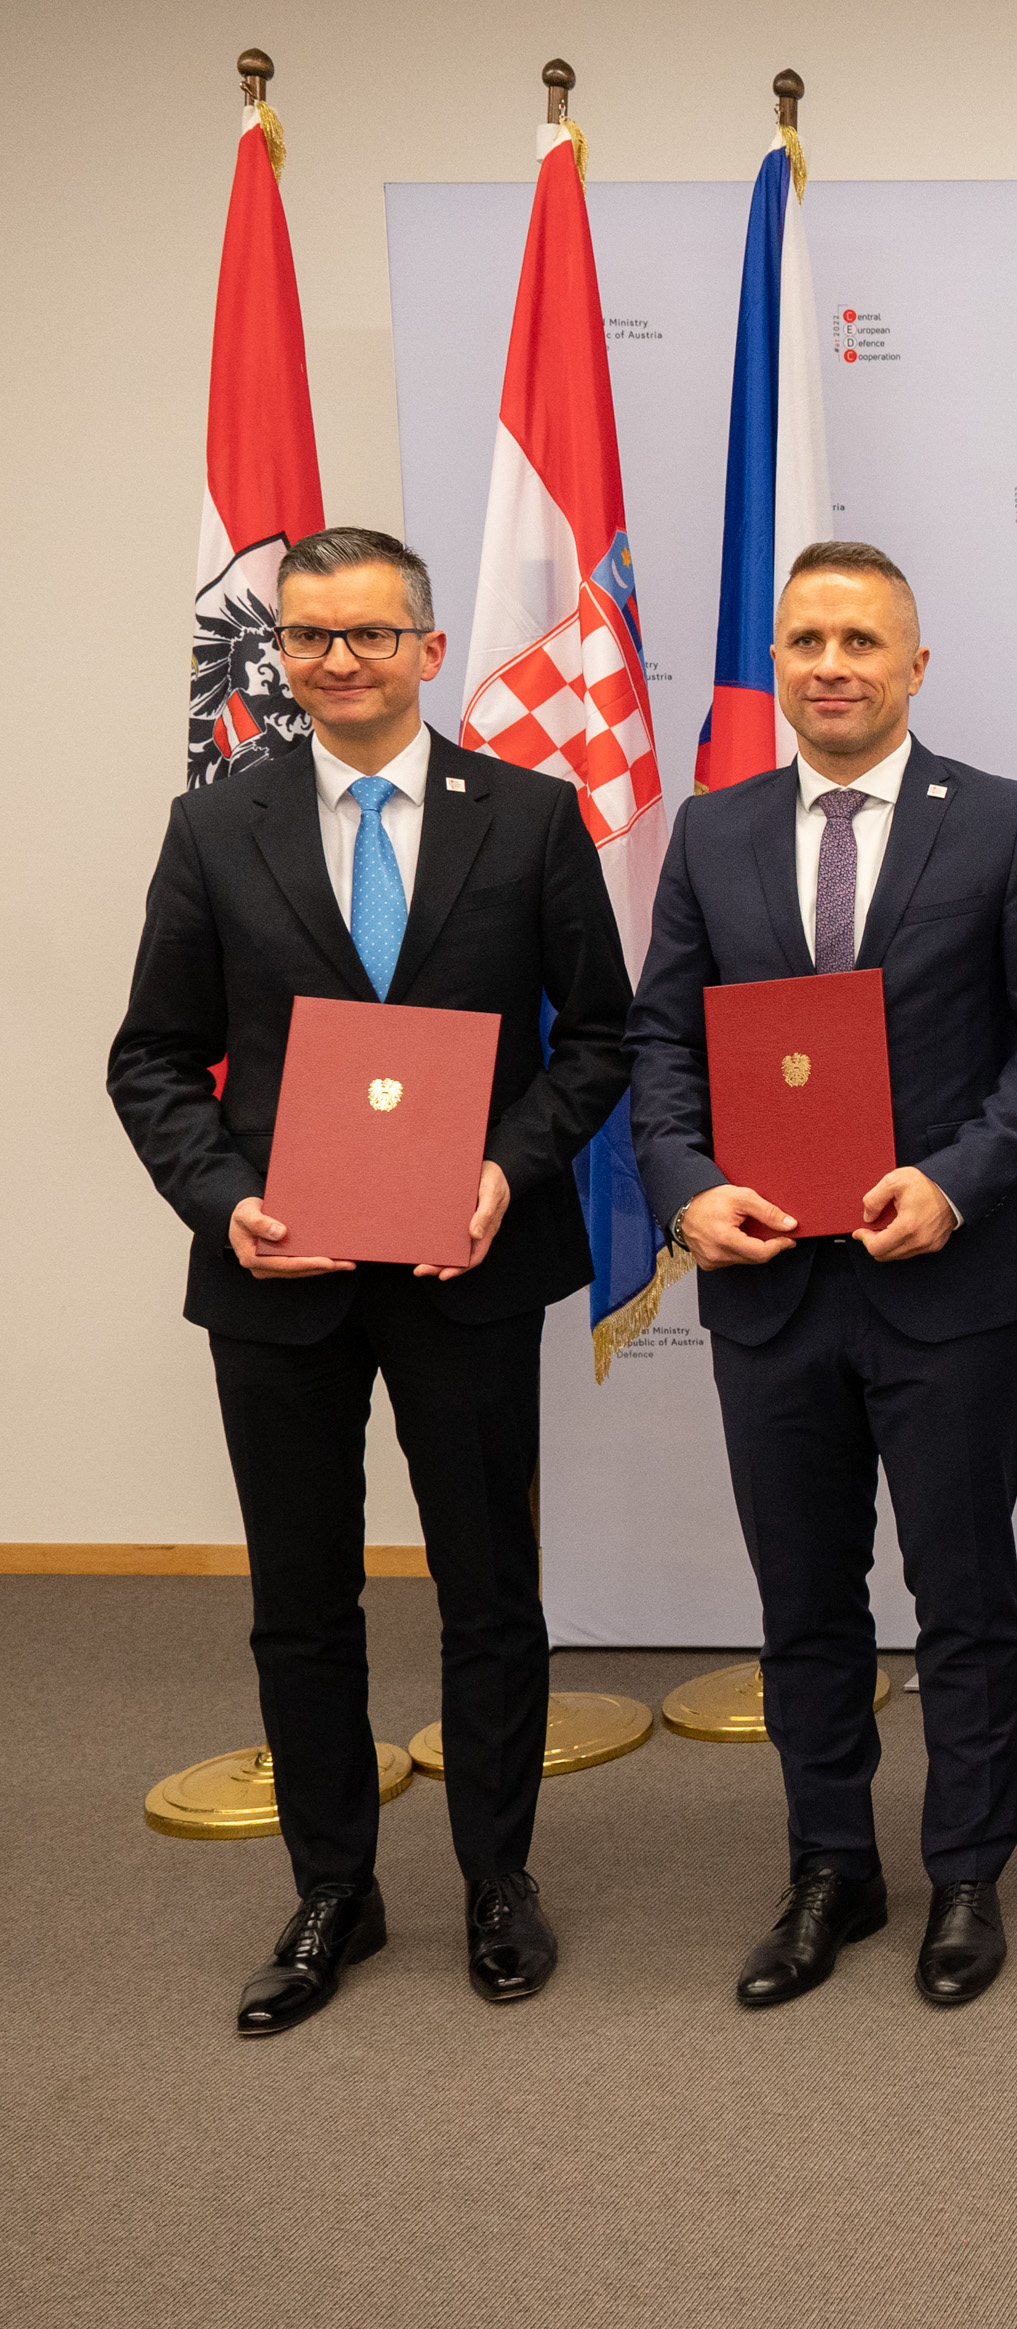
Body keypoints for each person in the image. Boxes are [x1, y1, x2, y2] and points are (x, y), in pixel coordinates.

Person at [107, 525, 634, 2035]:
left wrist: (508, 1167)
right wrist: (230, 1201)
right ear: (281, 652)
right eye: (310, 637)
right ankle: (333, 1884)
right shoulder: (217, 825)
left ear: (429, 650)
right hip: (283, 1275)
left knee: (490, 1591)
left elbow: (601, 1035)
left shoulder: (532, 816)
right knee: (301, 1600)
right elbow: (152, 1056)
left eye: (370, 634)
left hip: (471, 1263)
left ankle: (496, 1880)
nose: (339, 661)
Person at [628, 541, 1017, 2011]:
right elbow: (662, 1041)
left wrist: (959, 1180)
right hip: (770, 1283)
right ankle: (832, 1864)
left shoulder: (1008, 822)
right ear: (778, 662)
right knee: (804, 1599)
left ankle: (966, 1870)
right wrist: (686, 1188)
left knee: (961, 1591)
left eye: (860, 641)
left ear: (915, 664)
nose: (831, 665)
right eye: (806, 641)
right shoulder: (713, 830)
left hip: (943, 1276)